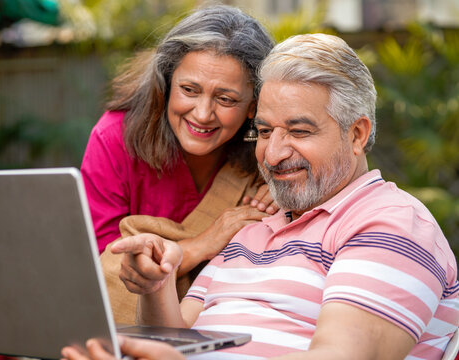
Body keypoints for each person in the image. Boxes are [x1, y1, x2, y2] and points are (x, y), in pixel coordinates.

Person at [62, 33, 459, 360]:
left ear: (356, 135)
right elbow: (177, 337)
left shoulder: (389, 222)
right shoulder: (252, 230)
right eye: (265, 131)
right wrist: (158, 284)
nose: (272, 154)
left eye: (299, 132)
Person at [81, 5, 277, 323]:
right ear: (167, 83)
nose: (202, 114)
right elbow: (102, 269)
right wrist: (199, 246)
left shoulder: (272, 152)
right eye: (189, 90)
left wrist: (284, 191)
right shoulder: (116, 136)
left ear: (254, 105)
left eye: (225, 99)